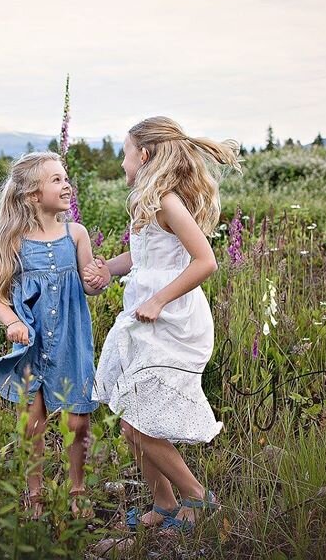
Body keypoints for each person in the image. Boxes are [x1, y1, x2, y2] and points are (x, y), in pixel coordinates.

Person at [84, 116, 240, 532]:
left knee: (138, 423)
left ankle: (199, 499)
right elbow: (142, 257)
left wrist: (158, 299)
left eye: (125, 153)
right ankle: (164, 503)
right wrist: (107, 271)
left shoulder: (169, 201)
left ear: (145, 154)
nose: (122, 163)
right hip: (145, 319)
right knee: (131, 419)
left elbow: (205, 261)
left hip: (174, 323)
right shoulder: (146, 202)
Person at [0, 151, 109, 518]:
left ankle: (77, 490)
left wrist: (99, 279)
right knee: (33, 421)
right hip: (30, 342)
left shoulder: (76, 234)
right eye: (56, 180)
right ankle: (34, 496)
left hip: (70, 338)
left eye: (66, 178)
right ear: (33, 195)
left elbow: (89, 284)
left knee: (76, 420)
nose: (66, 185)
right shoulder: (13, 240)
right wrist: (10, 321)